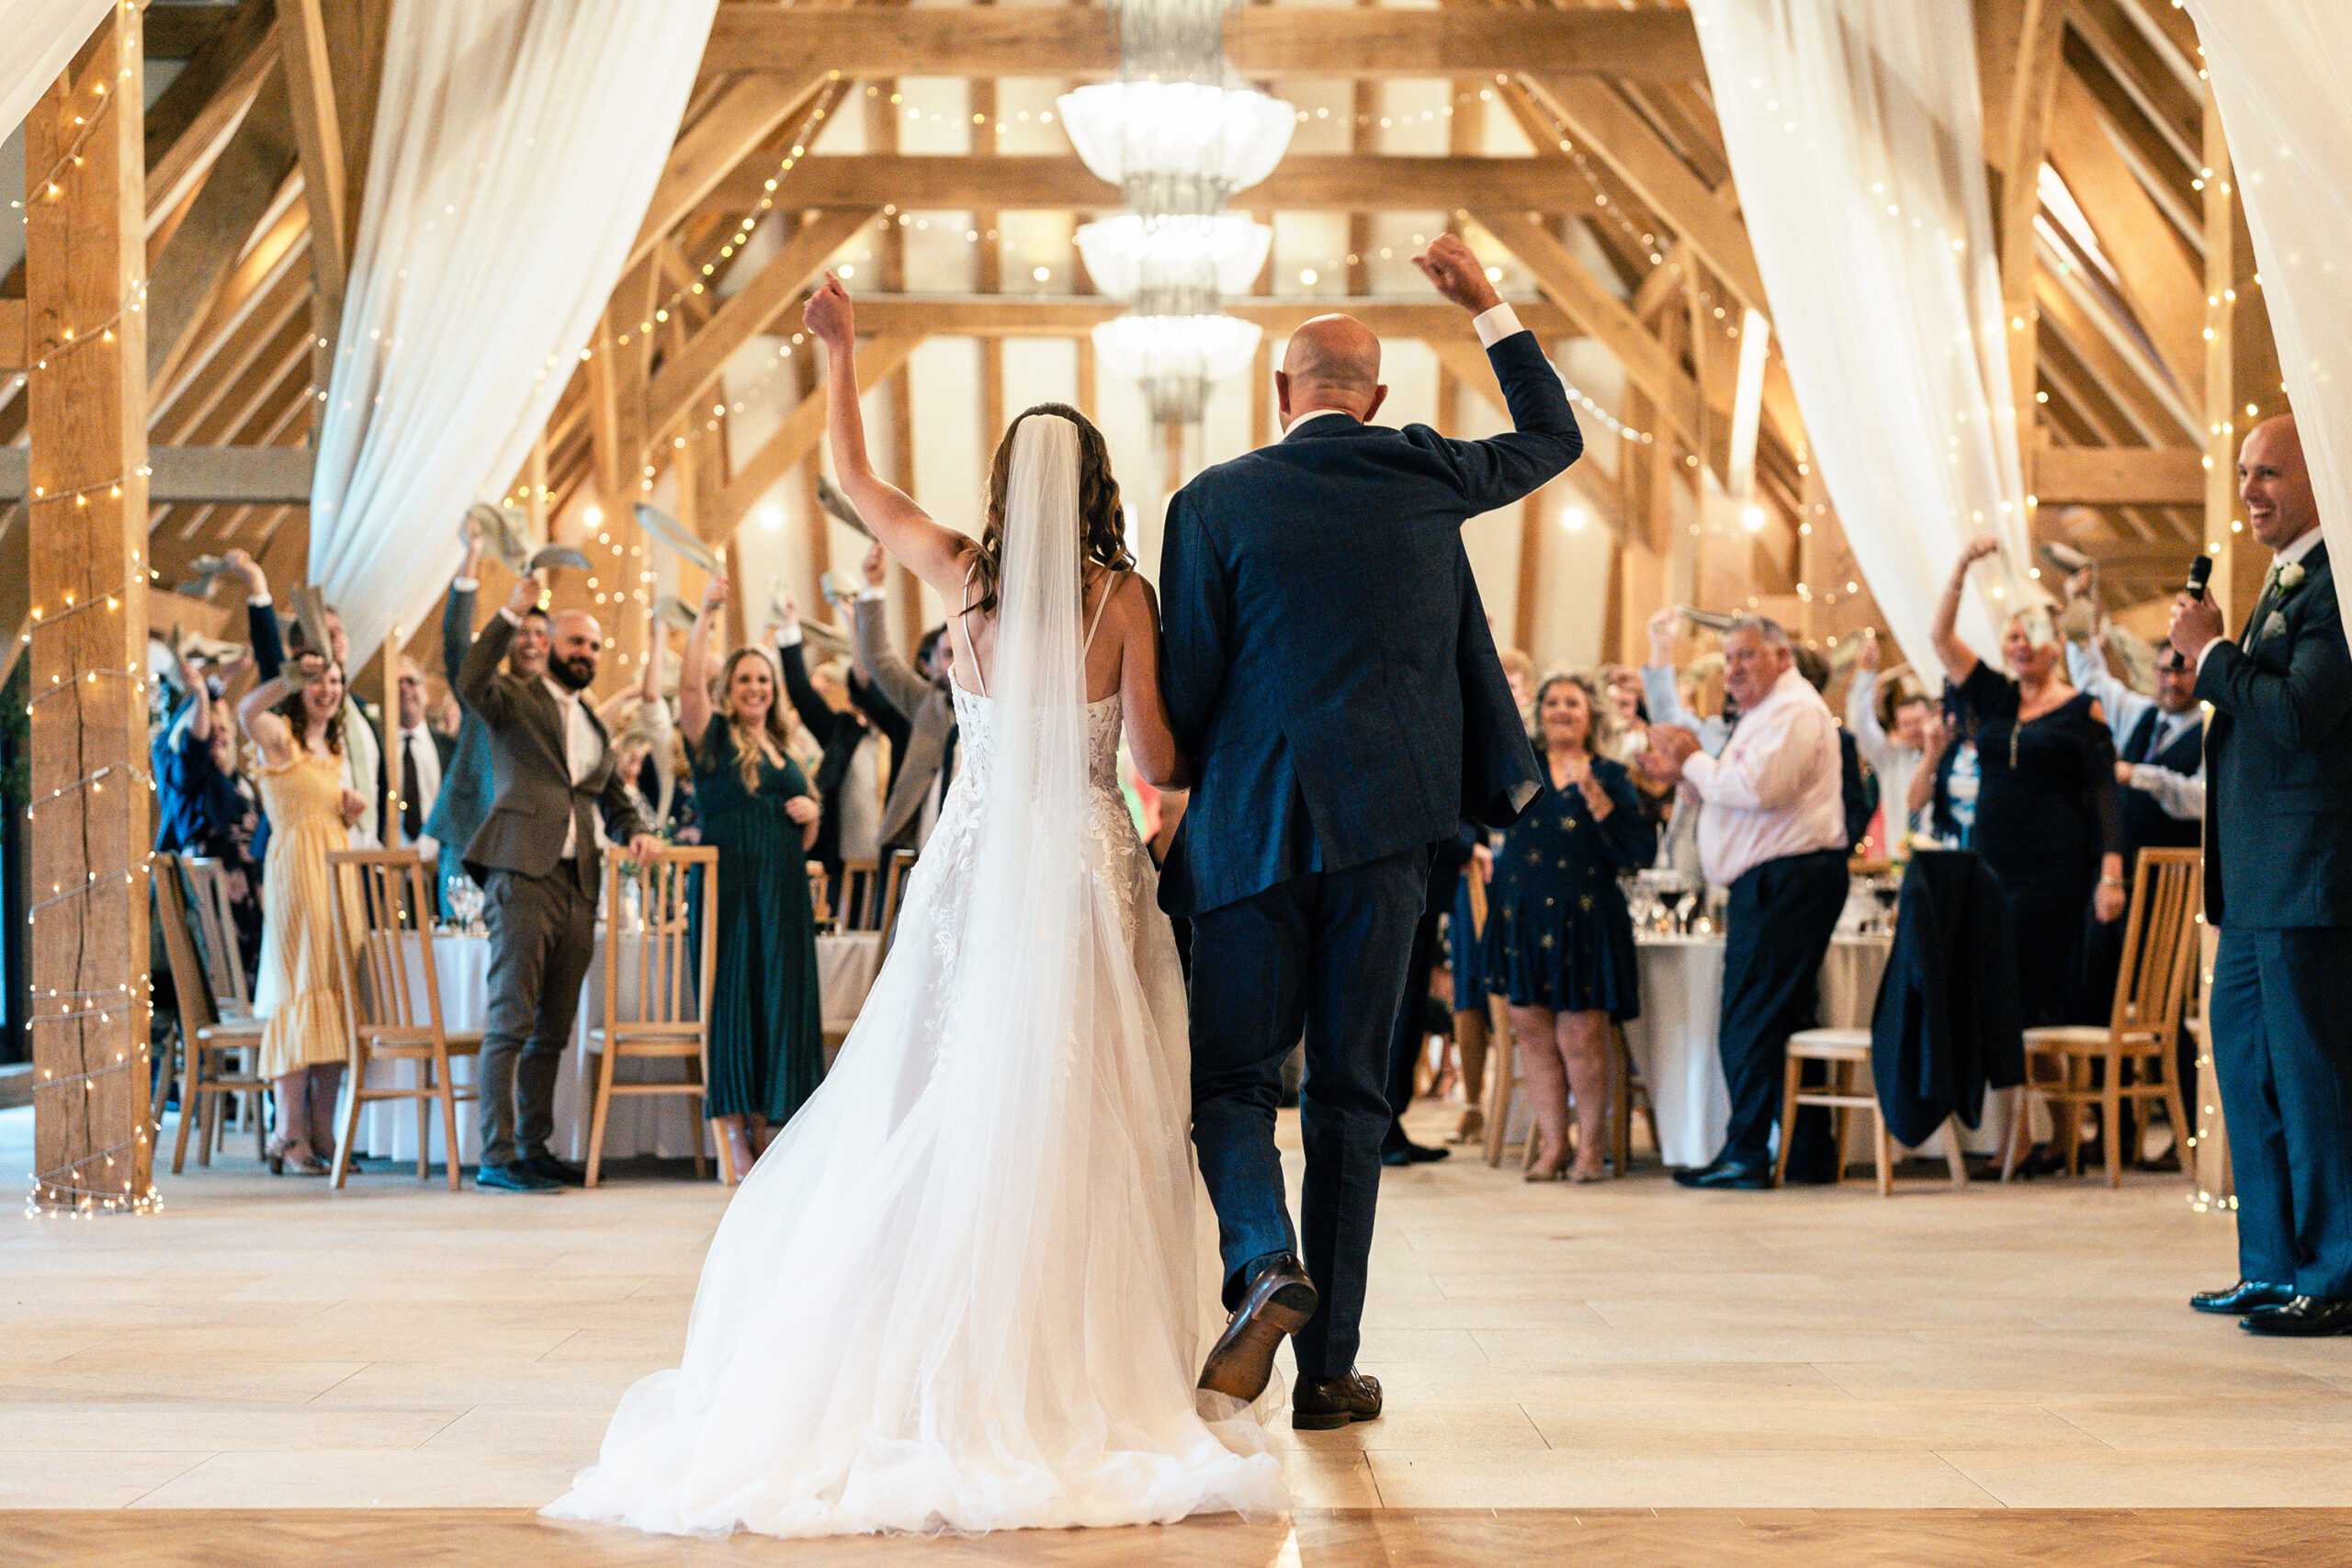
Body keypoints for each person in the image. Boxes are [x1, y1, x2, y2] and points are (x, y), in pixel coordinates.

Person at [547, 277, 1285, 1539]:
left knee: (938, 1091)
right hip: (1084, 867)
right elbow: (1159, 762)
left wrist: (840, 353)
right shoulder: (1123, 600)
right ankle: (1083, 1355)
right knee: (1092, 1102)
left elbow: (853, 481)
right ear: (1100, 486)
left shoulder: (961, 576)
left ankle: (916, 1348)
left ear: (1006, 486)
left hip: (975, 868)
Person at [1160, 232, 1570, 1431]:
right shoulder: (1423, 472)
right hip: (1392, 837)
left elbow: (1185, 693)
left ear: (1278, 394)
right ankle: (1329, 1373)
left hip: (1249, 834)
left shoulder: (1212, 500)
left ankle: (1262, 1258)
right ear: (1377, 401)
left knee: (1234, 1082)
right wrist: (1487, 302)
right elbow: (1556, 438)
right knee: (1349, 1097)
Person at [2169, 413, 2352, 1337]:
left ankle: (2335, 1273)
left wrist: (2212, 658)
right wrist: (2200, 675)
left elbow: (2300, 714)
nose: (2248, 491)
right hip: (2248, 882)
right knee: (2243, 1071)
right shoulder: (2281, 579)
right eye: (2243, 473)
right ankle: (2270, 1263)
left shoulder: (2336, 585)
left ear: (2318, 478)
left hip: (2302, 872)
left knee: (2308, 1077)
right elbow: (2251, 704)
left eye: (2267, 473)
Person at [457, 577, 662, 1195]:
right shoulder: (514, 699)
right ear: (546, 644)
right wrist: (507, 613)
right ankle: (496, 1155)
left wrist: (637, 831)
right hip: (521, 872)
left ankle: (533, 1146)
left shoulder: (595, 724)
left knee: (554, 1027)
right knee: (510, 1020)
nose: (587, 654)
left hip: (579, 881)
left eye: (595, 647)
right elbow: (468, 679)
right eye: (577, 641)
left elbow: (613, 794)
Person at [1639, 615, 1847, 1190]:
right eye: (1728, 659)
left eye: (1746, 656)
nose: (1733, 670)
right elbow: (1734, 789)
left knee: (1748, 1021)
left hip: (1788, 880)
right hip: (1780, 880)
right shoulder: (1765, 714)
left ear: (1783, 656)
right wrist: (1686, 775)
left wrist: (1692, 763)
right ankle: (1805, 1153)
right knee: (1783, 1018)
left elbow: (1758, 790)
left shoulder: (1795, 711)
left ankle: (1747, 1153)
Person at [1929, 539, 2126, 1034]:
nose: (2020, 645)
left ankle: (2046, 1115)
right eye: (2012, 637)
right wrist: (1960, 566)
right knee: (1993, 1002)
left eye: (2030, 636)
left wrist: (2111, 874)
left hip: (2053, 873)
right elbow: (1939, 636)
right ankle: (2026, 1115)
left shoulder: (2082, 710)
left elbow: (2105, 793)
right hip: (1991, 865)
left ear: (2057, 643)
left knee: (2030, 1006)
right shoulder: (1995, 696)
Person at [681, 576, 826, 1179]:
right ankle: (738, 1135)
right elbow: (688, 685)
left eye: (763, 680)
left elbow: (804, 832)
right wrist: (706, 615)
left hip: (785, 893)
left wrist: (812, 814)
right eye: (744, 679)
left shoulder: (785, 750)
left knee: (782, 1001)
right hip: (733, 890)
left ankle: (779, 1127)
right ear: (728, 688)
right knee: (735, 1000)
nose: (755, 688)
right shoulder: (712, 738)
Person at [1483, 672, 1653, 1180]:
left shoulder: (1613, 775)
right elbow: (1487, 818)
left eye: (1572, 703)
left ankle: (1590, 1150)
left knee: (1583, 1036)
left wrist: (1595, 795)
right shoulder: (1518, 770)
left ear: (1591, 715)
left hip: (1585, 917)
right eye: (1552, 702)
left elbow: (1637, 852)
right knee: (1532, 1034)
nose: (1560, 710)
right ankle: (1554, 1145)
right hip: (1523, 915)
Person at [237, 651, 368, 1177]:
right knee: (302, 990)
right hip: (298, 875)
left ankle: (325, 1133)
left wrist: (348, 813)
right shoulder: (281, 740)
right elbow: (246, 710)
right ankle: (288, 1131)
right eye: (318, 681)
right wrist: (286, 674)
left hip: (339, 877)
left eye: (335, 680)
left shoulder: (332, 752)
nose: (328, 689)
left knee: (337, 994)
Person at [426, 517, 552, 908]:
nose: (531, 642)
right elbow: (456, 639)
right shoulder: (483, 688)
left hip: (524, 853)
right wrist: (473, 556)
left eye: (540, 635)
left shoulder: (554, 707)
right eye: (522, 632)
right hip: (469, 836)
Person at [222, 548, 384, 848]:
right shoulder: (295, 699)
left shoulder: (360, 710)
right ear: (301, 651)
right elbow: (270, 653)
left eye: (339, 632)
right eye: (324, 632)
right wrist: (257, 584)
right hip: (301, 846)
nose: (334, 639)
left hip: (359, 849)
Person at [773, 576, 888, 883]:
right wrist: (789, 626)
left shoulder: (904, 734)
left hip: (898, 868)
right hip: (846, 869)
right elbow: (800, 692)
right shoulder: (843, 733)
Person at [851, 547, 959, 861]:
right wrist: (874, 587)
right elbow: (878, 658)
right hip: (929, 840)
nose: (957, 662)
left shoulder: (1000, 707)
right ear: (934, 665)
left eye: (963, 651)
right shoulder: (928, 702)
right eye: (948, 653)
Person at [1848, 628, 1934, 846]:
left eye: (1918, 721)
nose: (1913, 729)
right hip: (1900, 856)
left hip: (1943, 855)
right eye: (1906, 724)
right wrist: (1866, 674)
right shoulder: (1890, 758)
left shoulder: (1948, 758)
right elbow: (1860, 726)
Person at [391, 658, 454, 854]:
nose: (404, 689)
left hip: (437, 864)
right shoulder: (381, 748)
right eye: (396, 683)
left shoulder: (447, 748)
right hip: (391, 865)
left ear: (425, 693)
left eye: (411, 681)